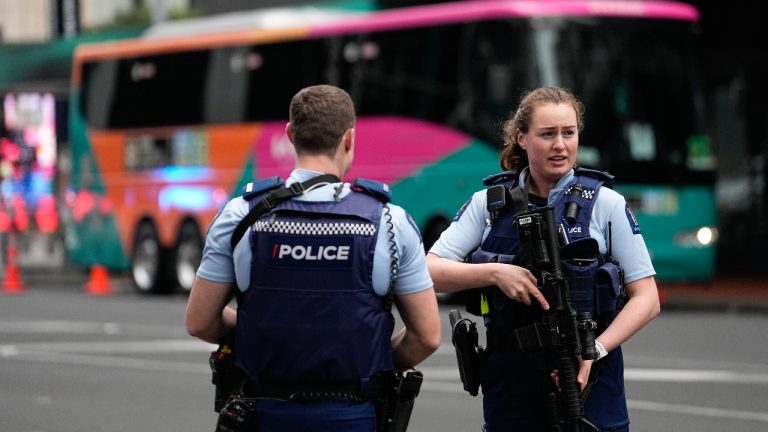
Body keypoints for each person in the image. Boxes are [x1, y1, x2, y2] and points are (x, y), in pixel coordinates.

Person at [186, 84, 441, 431]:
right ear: (349, 138)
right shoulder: (390, 222)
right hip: (354, 414)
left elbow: (200, 321)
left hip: (263, 413)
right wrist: (373, 361)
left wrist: (257, 330)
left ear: (290, 135)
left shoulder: (239, 215)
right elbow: (426, 337)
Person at [427, 86, 660, 431]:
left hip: (588, 376)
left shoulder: (606, 203)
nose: (560, 145)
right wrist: (495, 274)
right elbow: (430, 271)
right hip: (511, 382)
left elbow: (648, 298)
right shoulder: (489, 203)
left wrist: (595, 350)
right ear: (521, 138)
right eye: (547, 134)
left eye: (569, 133)